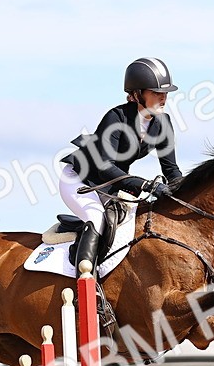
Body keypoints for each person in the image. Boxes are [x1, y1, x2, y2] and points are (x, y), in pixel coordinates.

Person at [59, 57, 184, 277]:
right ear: (137, 94)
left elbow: (171, 170)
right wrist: (145, 185)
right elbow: (104, 168)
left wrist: (186, 194)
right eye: (156, 92)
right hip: (81, 180)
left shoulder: (163, 124)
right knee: (96, 218)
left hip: (112, 184)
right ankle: (84, 287)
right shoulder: (115, 118)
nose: (163, 97)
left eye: (165, 93)